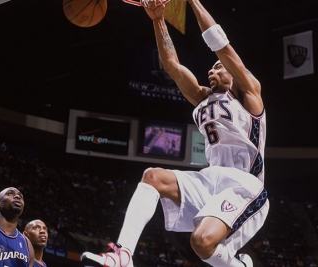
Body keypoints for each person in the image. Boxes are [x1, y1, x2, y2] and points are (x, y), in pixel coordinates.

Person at [81, 0, 269, 267]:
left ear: (237, 75)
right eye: (212, 67)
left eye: (218, 67)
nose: (211, 70)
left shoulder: (250, 95)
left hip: (245, 185)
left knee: (201, 242)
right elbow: (171, 65)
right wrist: (158, 18)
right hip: (210, 179)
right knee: (153, 177)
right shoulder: (202, 98)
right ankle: (123, 255)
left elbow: (220, 43)